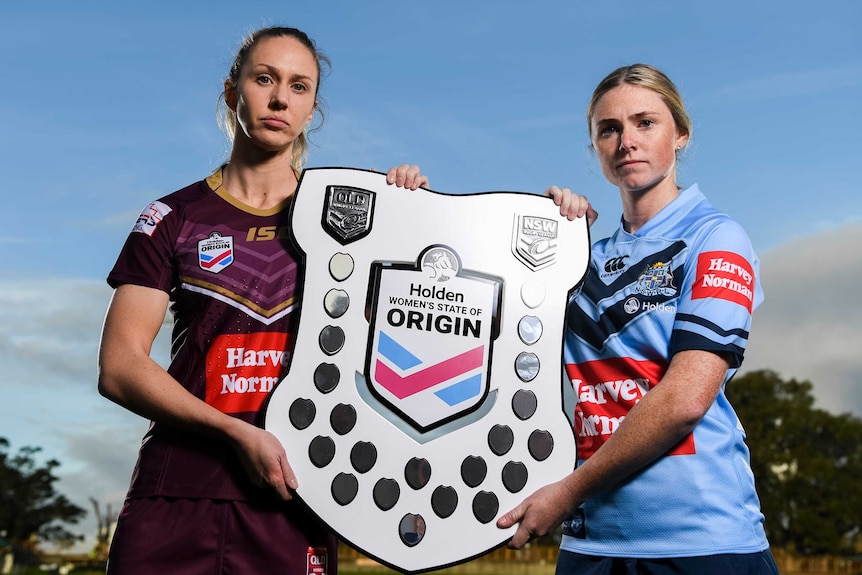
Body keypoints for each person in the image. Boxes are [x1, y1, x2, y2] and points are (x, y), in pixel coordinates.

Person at [97, 26, 427, 574]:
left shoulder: (353, 221)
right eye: (265, 79)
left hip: (298, 492)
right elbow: (119, 366)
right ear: (233, 92)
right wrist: (234, 430)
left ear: (312, 108)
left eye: (299, 87)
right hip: (176, 492)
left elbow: (412, 335)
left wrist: (411, 217)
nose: (279, 98)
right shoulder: (171, 218)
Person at [498, 64, 780, 574]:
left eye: (645, 122)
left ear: (681, 135)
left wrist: (567, 492)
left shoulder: (715, 237)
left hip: (701, 544)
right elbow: (484, 333)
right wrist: (543, 240)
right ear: (596, 150)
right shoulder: (577, 257)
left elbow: (684, 401)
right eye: (609, 129)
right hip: (592, 546)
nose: (627, 140)